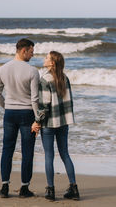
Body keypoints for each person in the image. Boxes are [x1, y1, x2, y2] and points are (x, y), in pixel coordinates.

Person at [0, 38, 39, 198]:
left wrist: (7, 107)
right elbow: (35, 99)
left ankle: (4, 187)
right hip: (27, 114)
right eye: (31, 52)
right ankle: (24, 188)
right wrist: (38, 119)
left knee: (7, 149)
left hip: (10, 114)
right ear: (24, 50)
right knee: (28, 151)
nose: (33, 55)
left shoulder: (3, 69)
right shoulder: (32, 71)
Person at [32, 51, 80, 201]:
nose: (44, 59)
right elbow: (69, 103)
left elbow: (44, 105)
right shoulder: (64, 78)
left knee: (49, 155)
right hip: (63, 123)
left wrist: (37, 121)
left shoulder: (45, 79)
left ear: (52, 63)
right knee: (65, 154)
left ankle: (51, 190)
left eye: (47, 58)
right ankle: (74, 188)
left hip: (49, 124)